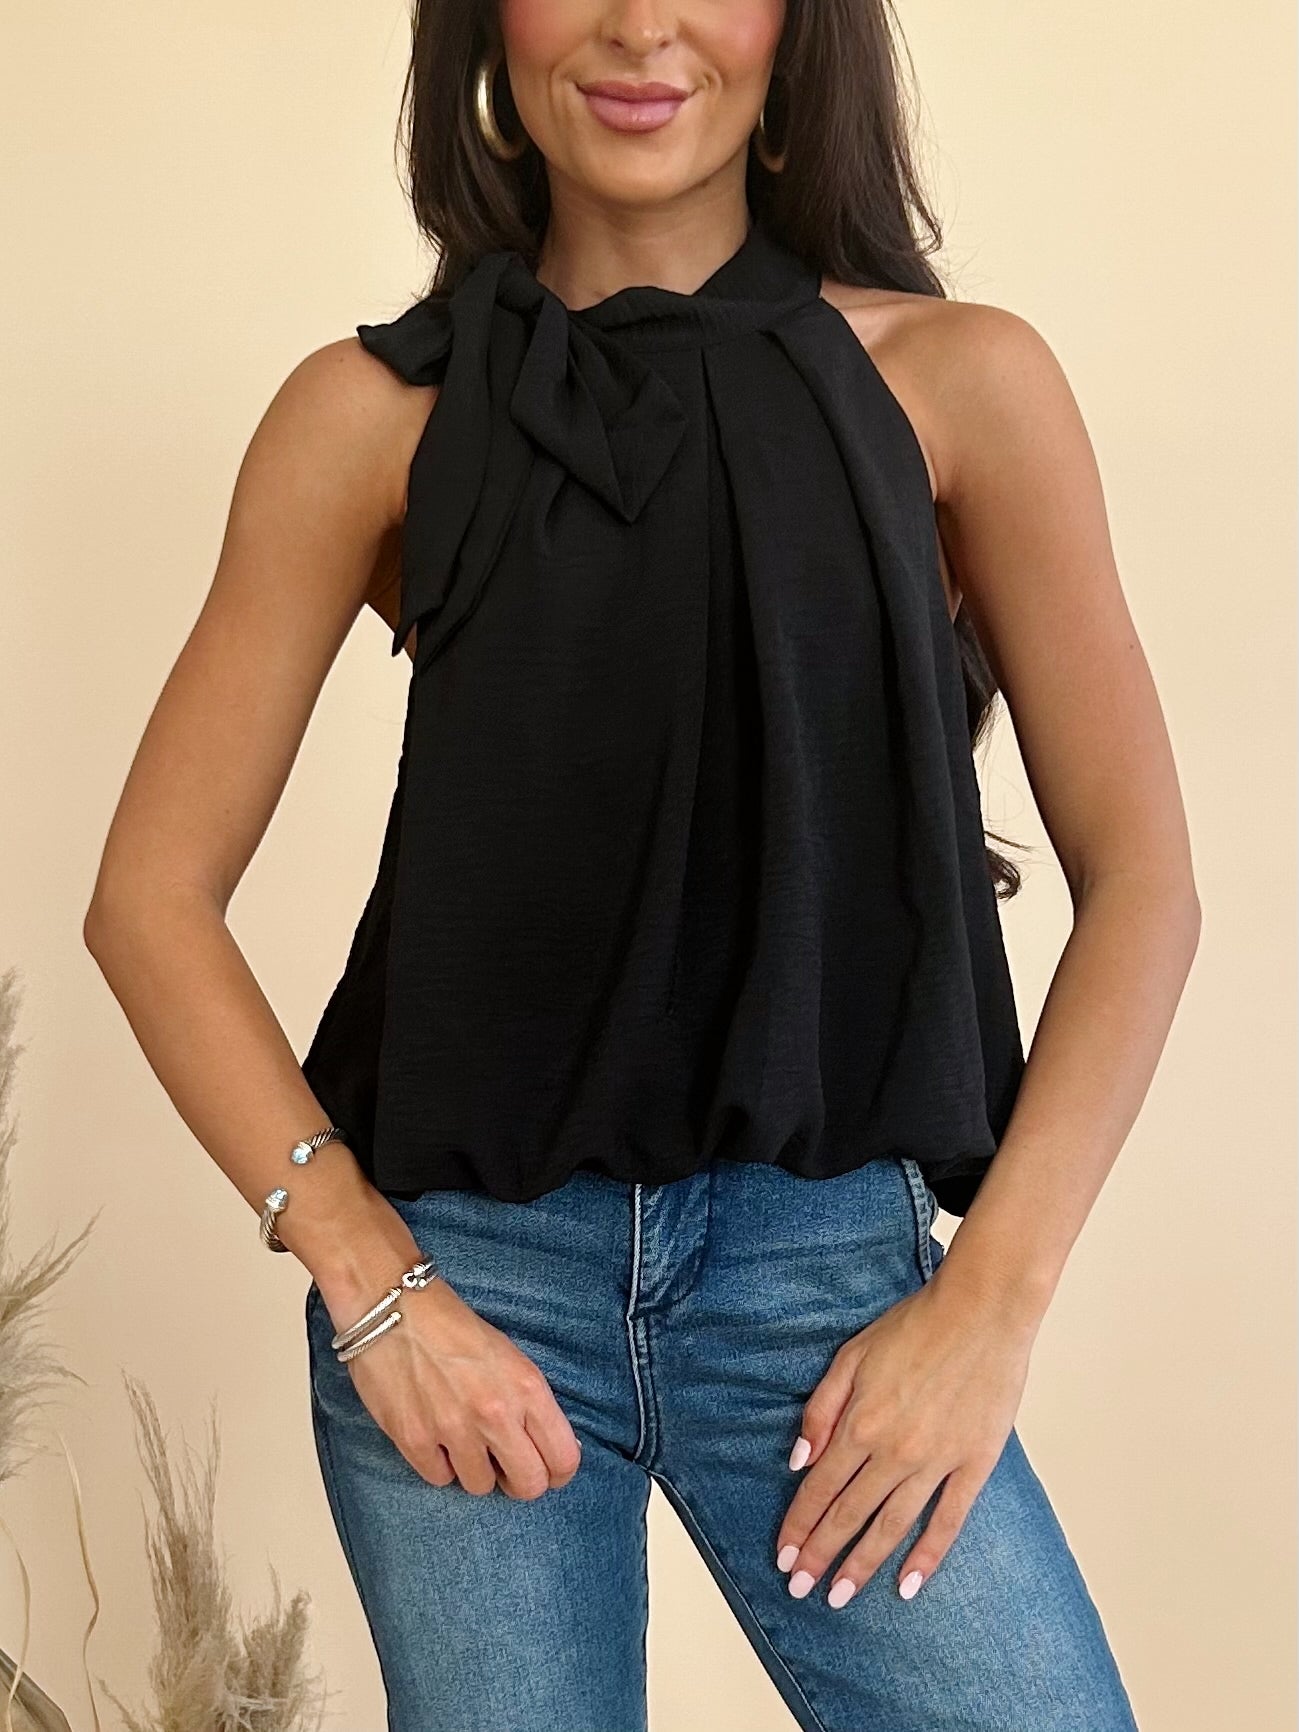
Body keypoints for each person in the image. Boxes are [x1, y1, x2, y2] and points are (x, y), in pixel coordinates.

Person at [84, 3, 1200, 1728]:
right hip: (470, 1297)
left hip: (826, 1295)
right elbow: (149, 900)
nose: (637, 24)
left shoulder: (962, 383)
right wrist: (373, 1286)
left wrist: (992, 1302)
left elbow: (1144, 880)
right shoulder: (369, 416)